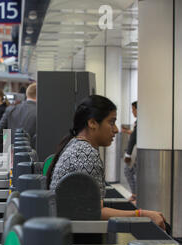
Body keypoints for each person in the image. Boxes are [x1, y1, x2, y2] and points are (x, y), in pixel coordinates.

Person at [46, 95, 166, 230]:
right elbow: (94, 212)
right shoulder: (86, 154)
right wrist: (142, 215)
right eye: (111, 122)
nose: (115, 129)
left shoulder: (75, 144)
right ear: (92, 123)